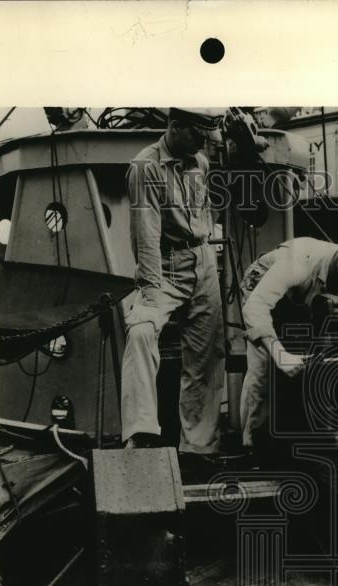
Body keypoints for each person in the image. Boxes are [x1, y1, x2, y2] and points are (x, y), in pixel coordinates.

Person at [120, 108, 224, 470]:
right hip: (164, 264)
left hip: (203, 260)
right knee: (142, 332)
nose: (203, 143)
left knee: (207, 354)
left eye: (207, 136)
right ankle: (142, 433)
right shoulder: (144, 168)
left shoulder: (199, 161)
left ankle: (198, 448)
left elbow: (204, 210)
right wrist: (150, 293)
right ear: (174, 126)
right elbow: (145, 236)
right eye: (198, 134)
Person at [239, 227, 338, 449]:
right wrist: (280, 354)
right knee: (265, 366)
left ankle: (296, 437)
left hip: (302, 300)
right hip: (262, 288)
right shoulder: (299, 259)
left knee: (315, 360)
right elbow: (256, 307)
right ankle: (253, 444)